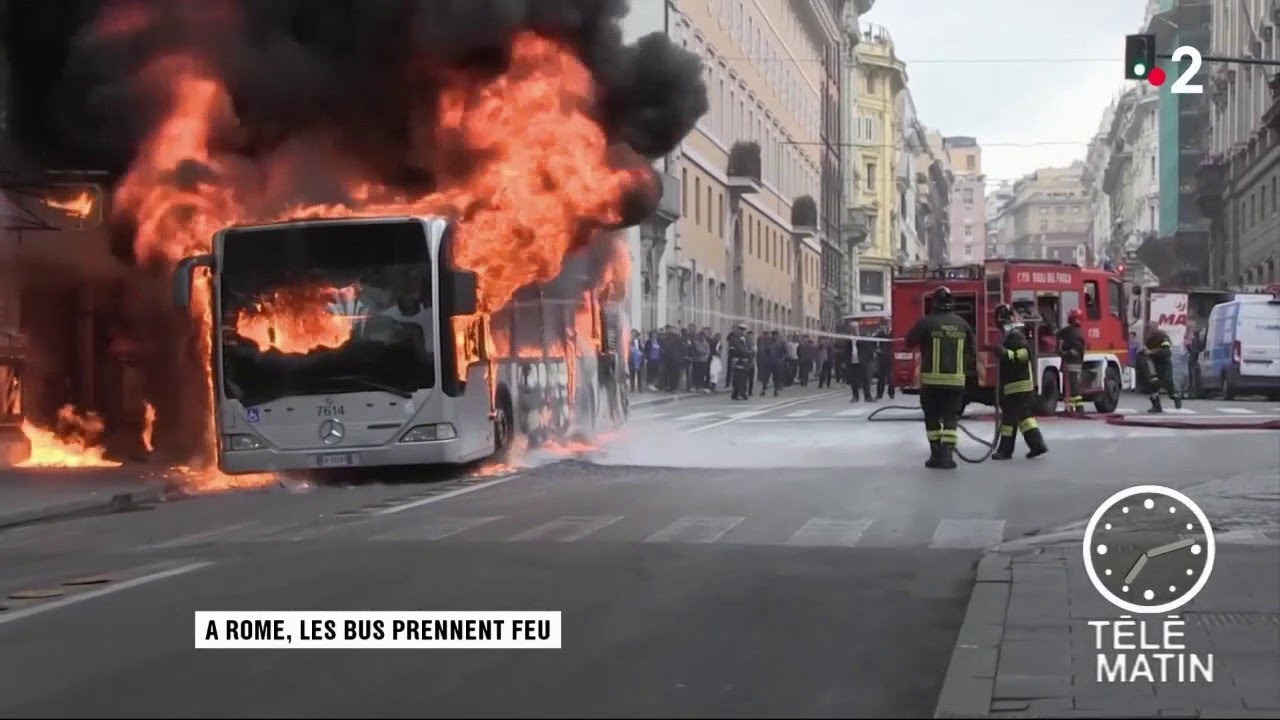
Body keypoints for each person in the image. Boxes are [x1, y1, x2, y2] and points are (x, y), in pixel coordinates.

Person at [904, 286, 977, 469]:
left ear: (934, 303)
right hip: (955, 383)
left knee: (932, 418)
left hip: (931, 383)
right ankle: (947, 457)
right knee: (951, 418)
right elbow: (972, 352)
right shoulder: (963, 324)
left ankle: (936, 455)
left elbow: (909, 341)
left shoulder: (926, 323)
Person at [988, 304, 1048, 460]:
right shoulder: (1012, 335)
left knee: (1008, 419)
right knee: (1025, 417)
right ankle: (1037, 445)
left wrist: (1004, 353)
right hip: (1019, 387)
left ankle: (1005, 451)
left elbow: (1023, 355)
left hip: (1017, 388)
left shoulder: (1015, 336)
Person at [1140, 326, 1183, 413]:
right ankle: (1156, 406)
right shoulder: (1149, 339)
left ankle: (1176, 397)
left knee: (1168, 382)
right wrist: (1143, 351)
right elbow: (1146, 349)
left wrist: (1151, 352)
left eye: (1150, 331)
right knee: (1152, 385)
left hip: (1165, 363)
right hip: (1155, 364)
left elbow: (1166, 351)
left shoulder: (1162, 337)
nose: (1149, 333)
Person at [1056, 308, 1087, 416]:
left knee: (1070, 388)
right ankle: (1078, 408)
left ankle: (1071, 409)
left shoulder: (1069, 331)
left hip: (1070, 363)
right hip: (1077, 363)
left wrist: (1063, 353)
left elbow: (1057, 333)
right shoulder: (1078, 332)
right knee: (1075, 387)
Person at [727, 323, 752, 400]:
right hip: (737, 359)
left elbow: (746, 346)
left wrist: (749, 352)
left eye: (743, 330)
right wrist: (746, 352)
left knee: (742, 377)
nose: (742, 331)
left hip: (743, 360)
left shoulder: (743, 337)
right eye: (741, 329)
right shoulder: (734, 338)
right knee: (739, 378)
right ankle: (741, 393)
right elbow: (739, 348)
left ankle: (736, 393)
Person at [875, 326, 895, 399]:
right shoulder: (887, 334)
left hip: (885, 357)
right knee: (887, 377)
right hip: (887, 356)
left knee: (885, 377)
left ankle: (882, 394)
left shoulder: (887, 334)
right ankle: (890, 393)